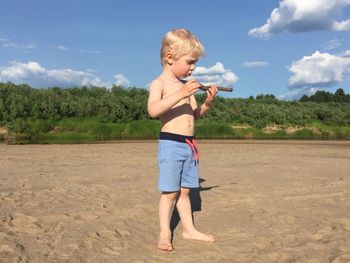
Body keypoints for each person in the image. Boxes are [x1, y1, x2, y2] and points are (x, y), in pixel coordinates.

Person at [147, 28, 218, 252]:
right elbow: (153, 110)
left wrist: (207, 103)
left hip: (190, 146)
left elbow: (194, 116)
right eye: (189, 62)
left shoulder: (187, 89)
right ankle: (164, 232)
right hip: (171, 144)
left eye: (194, 63)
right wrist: (182, 92)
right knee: (170, 192)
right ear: (170, 57)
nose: (193, 68)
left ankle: (188, 229)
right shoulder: (160, 84)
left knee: (186, 191)